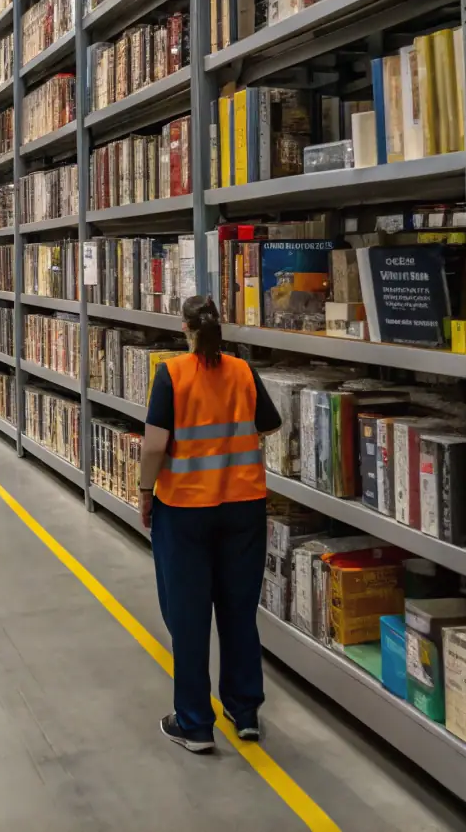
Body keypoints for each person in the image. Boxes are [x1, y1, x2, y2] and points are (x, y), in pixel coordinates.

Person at [138, 294, 282, 754]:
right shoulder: (242, 371)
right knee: (239, 613)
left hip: (184, 512)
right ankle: (245, 713)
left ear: (184, 328)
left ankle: (195, 724)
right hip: (242, 508)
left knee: (189, 616)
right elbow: (271, 423)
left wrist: (145, 491)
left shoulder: (172, 374)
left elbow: (155, 446)